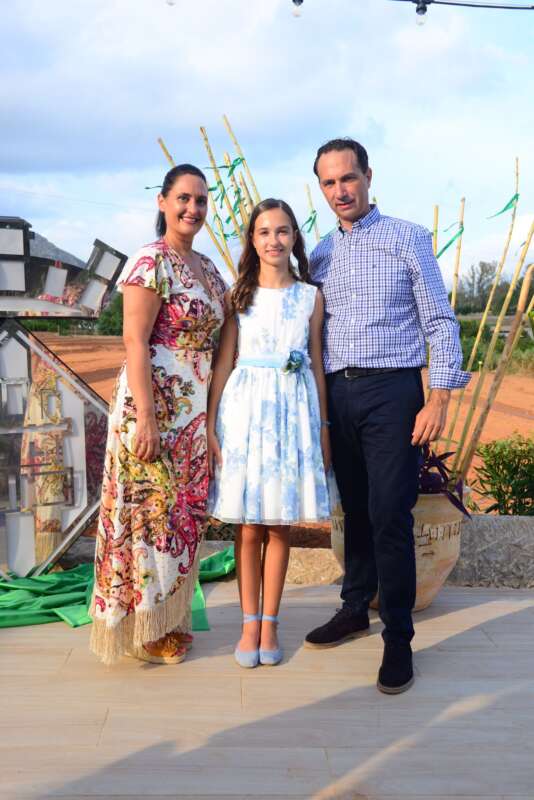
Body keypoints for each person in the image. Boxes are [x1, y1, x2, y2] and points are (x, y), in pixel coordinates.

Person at [304, 138, 470, 694]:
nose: (340, 191)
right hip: (338, 394)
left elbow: (440, 320)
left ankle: (398, 638)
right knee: (353, 508)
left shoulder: (408, 238)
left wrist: (438, 397)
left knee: (390, 514)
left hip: (393, 392)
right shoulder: (320, 254)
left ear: (368, 176)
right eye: (329, 183)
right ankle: (355, 608)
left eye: (348, 178)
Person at [89, 164, 227, 665]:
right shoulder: (149, 262)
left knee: (182, 517)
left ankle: (168, 618)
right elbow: (134, 340)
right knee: (148, 518)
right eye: (184, 198)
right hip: (151, 408)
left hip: (192, 416)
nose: (193, 208)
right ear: (163, 202)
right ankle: (145, 629)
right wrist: (146, 417)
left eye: (201, 200)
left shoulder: (208, 268)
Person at [207, 199, 331, 668]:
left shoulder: (310, 297)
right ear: (252, 240)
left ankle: (271, 623)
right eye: (264, 231)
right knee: (248, 526)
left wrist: (323, 427)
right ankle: (248, 623)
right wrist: (211, 424)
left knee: (280, 523)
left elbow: (316, 364)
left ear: (294, 237)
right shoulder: (238, 296)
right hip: (244, 414)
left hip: (293, 414)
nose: (274, 240)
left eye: (282, 231)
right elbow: (224, 363)